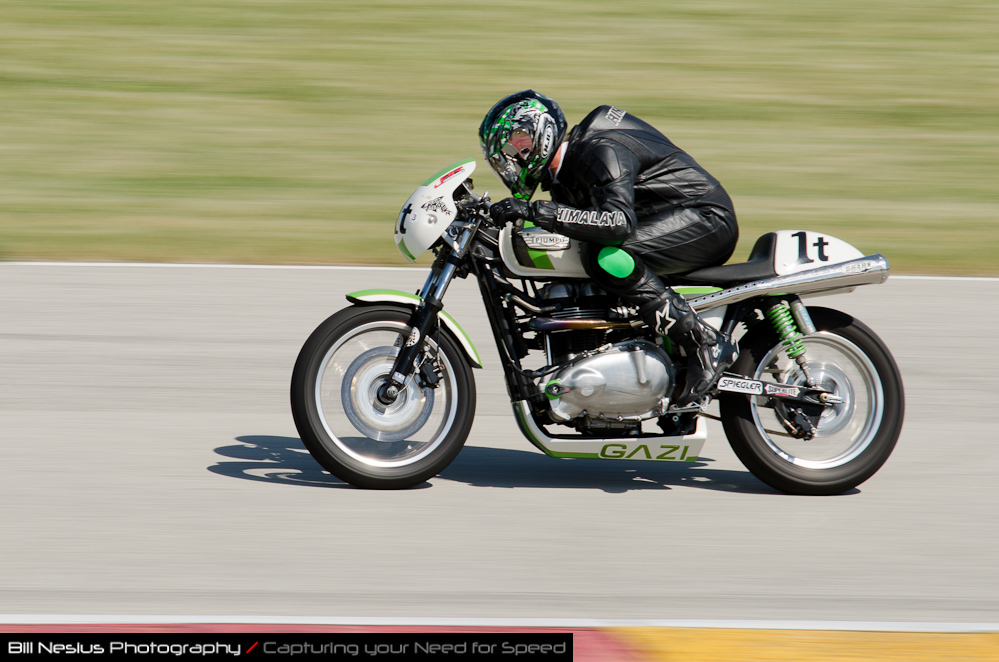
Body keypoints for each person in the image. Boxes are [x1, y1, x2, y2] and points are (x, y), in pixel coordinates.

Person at [480, 90, 739, 405]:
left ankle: (703, 341)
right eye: (505, 152)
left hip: (705, 219)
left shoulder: (599, 150)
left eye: (516, 144)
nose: (511, 158)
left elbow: (616, 224)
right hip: (670, 222)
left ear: (539, 134)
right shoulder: (562, 179)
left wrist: (537, 211)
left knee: (603, 257)